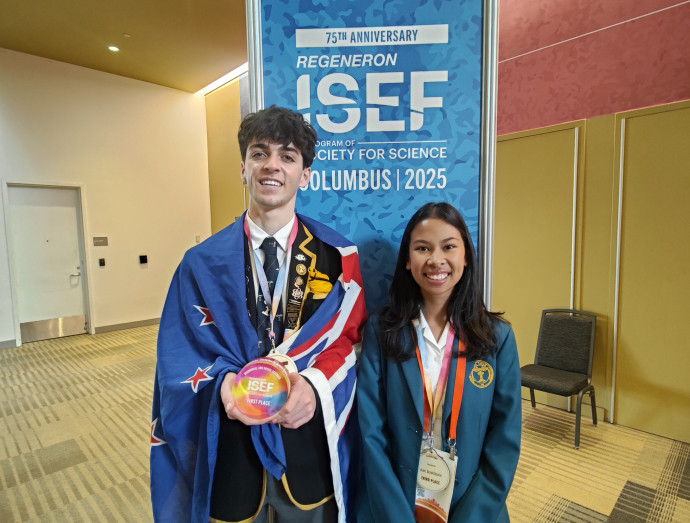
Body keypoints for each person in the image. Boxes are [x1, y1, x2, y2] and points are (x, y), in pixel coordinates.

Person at [150, 106, 366, 522]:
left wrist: (315, 386)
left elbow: (350, 343)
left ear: (305, 174)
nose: (272, 165)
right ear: (243, 169)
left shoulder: (339, 258)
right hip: (231, 451)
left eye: (288, 156)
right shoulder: (200, 263)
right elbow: (177, 355)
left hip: (307, 449)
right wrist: (223, 383)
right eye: (259, 153)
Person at [356, 202, 521, 522]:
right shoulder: (382, 331)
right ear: (407, 260)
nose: (436, 260)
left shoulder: (496, 339)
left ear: (466, 256)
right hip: (395, 503)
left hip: (472, 507)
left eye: (448, 247)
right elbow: (371, 434)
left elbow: (505, 441)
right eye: (422, 248)